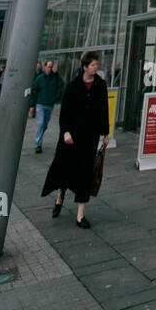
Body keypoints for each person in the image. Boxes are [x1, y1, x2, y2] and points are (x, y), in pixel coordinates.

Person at [41, 51, 109, 229]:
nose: (96, 67)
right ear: (85, 67)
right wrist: (66, 132)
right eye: (93, 65)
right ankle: (60, 197)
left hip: (90, 135)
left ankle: (80, 215)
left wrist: (105, 133)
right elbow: (66, 112)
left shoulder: (100, 85)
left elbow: (103, 109)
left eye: (96, 65)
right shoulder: (72, 86)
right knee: (66, 167)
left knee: (86, 172)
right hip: (72, 135)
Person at [31, 59, 64, 154]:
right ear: (45, 67)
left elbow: (61, 87)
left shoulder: (56, 78)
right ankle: (38, 144)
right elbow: (34, 91)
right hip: (40, 104)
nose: (50, 68)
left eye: (51, 67)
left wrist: (56, 97)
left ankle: (39, 136)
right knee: (40, 123)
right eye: (48, 66)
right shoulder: (40, 78)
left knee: (44, 124)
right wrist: (32, 105)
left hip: (49, 104)